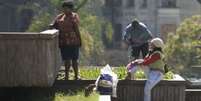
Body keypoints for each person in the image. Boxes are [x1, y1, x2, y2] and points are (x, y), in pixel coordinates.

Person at [50, 1, 82, 80]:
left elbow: (76, 29)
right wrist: (51, 26)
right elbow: (54, 24)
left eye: (66, 8)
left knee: (74, 59)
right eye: (63, 8)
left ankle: (76, 76)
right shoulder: (60, 17)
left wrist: (80, 39)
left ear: (71, 9)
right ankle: (67, 76)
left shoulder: (74, 16)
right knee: (66, 60)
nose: (64, 10)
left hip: (73, 41)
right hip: (63, 41)